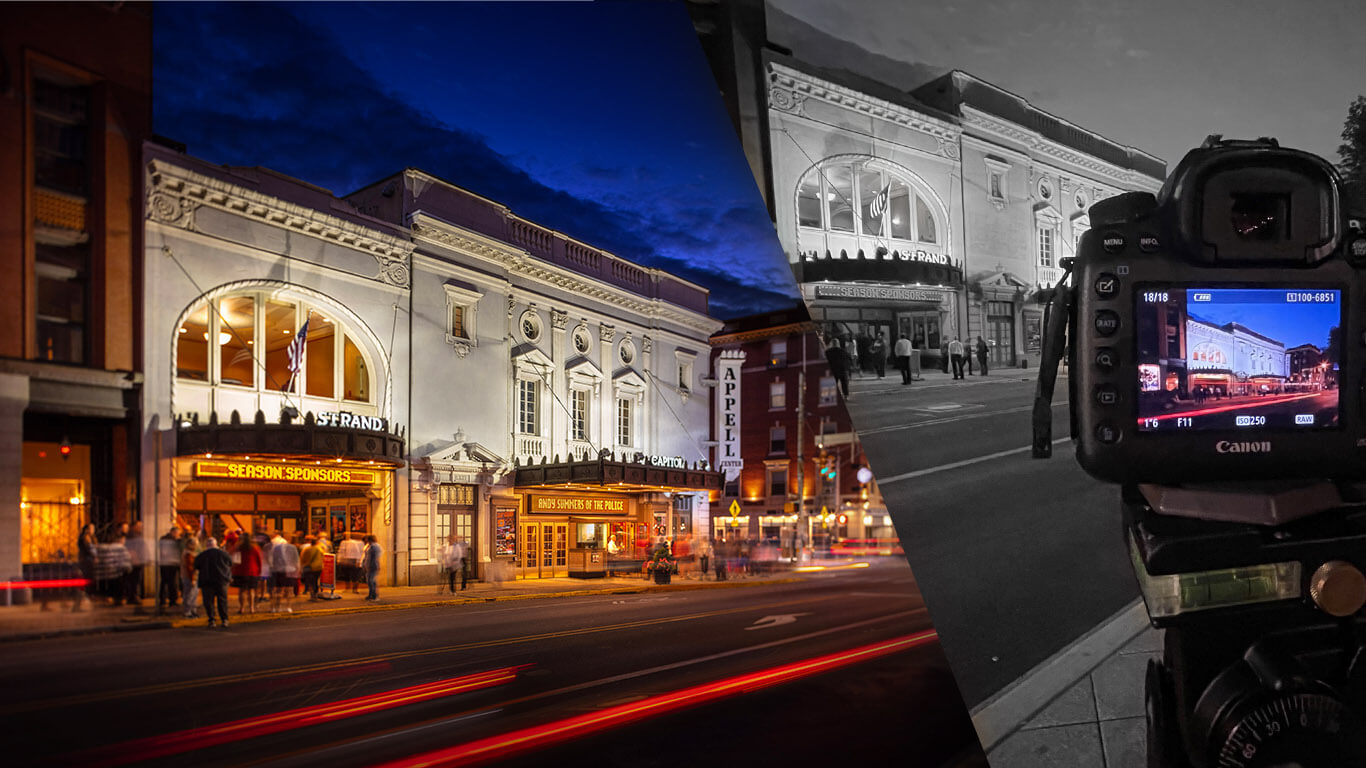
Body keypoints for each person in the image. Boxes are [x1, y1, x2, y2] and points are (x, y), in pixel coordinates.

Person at [193, 537, 232, 628]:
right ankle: (224, 619)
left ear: (207, 545)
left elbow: (196, 566)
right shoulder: (223, 554)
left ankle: (212, 619)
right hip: (221, 580)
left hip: (207, 581)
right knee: (222, 600)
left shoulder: (202, 555)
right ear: (216, 544)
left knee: (208, 601)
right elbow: (230, 563)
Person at [268, 530, 300, 613]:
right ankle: (283, 607)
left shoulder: (278, 548)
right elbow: (296, 560)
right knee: (285, 590)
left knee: (282, 590)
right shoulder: (291, 548)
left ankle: (281, 607)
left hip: (283, 570)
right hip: (285, 570)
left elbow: (273, 560)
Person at [233, 535, 261, 615]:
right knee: (251, 590)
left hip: (241, 571)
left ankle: (242, 608)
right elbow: (259, 560)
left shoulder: (238, 548)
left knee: (242, 590)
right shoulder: (255, 548)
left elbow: (235, 560)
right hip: (252, 571)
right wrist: (259, 571)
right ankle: (251, 608)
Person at [123, 521, 148, 607]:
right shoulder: (131, 536)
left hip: (139, 560)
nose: (141, 527)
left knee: (136, 579)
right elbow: (131, 548)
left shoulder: (138, 535)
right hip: (135, 561)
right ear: (133, 527)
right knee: (133, 580)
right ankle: (132, 596)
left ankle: (133, 596)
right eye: (139, 526)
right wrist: (135, 557)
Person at [157, 526, 181, 610]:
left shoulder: (163, 539)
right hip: (170, 564)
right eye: (177, 533)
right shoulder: (171, 541)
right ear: (173, 532)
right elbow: (165, 552)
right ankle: (171, 600)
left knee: (164, 582)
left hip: (165, 564)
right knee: (171, 582)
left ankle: (163, 600)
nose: (178, 535)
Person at [75, 523, 98, 611]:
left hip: (85, 561)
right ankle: (85, 598)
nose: (93, 530)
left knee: (85, 581)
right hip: (87, 562)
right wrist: (95, 556)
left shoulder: (88, 538)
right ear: (87, 530)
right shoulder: (86, 538)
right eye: (91, 528)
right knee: (86, 581)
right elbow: (91, 549)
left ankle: (80, 602)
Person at [180, 532, 200, 619]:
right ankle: (188, 611)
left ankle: (192, 611)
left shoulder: (187, 553)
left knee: (191, 594)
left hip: (188, 576)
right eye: (195, 545)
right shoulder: (189, 555)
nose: (196, 547)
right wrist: (193, 579)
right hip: (190, 577)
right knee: (191, 594)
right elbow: (190, 568)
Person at [299, 536, 323, 600]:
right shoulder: (320, 549)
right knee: (315, 581)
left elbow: (302, 558)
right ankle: (315, 593)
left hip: (309, 567)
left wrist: (302, 566)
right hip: (318, 567)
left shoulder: (306, 549)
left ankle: (312, 594)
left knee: (310, 582)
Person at [361, 534, 383, 601]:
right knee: (369, 581)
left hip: (373, 566)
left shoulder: (374, 547)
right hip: (369, 566)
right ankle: (371, 594)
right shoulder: (370, 546)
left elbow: (374, 557)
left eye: (367, 539)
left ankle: (374, 595)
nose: (366, 541)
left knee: (371, 581)